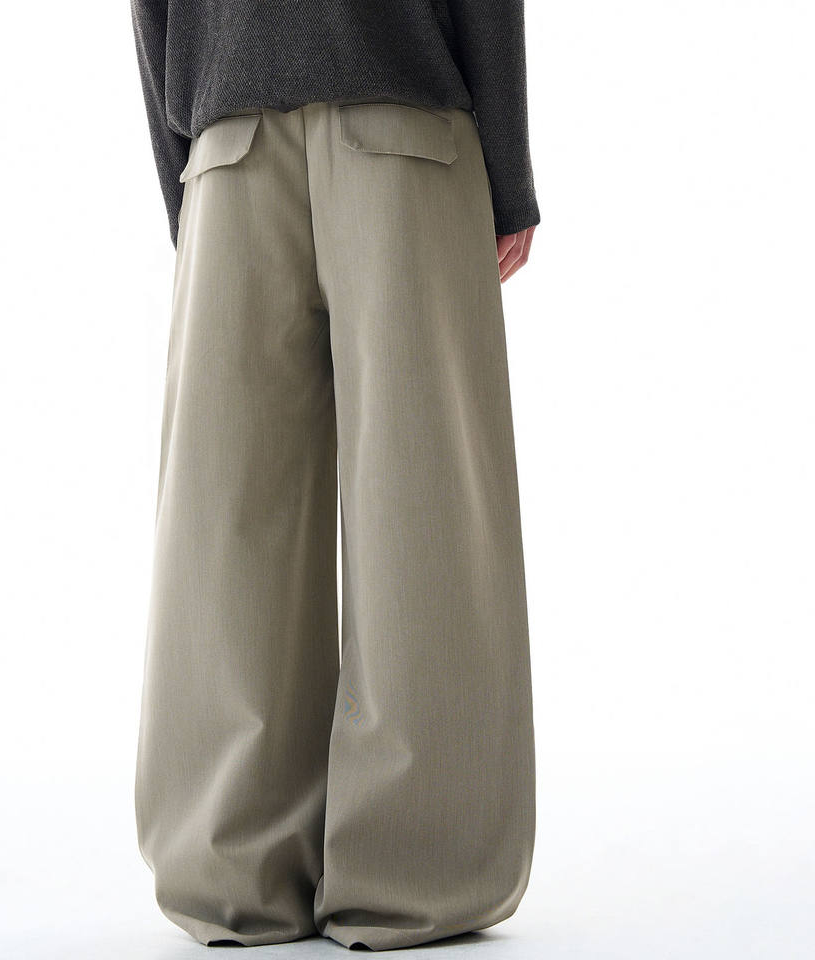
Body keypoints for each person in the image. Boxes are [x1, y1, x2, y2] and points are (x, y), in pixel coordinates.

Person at [130, 1, 539, 950]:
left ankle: (231, 867)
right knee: (426, 505)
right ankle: (417, 872)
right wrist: (508, 178)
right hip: (403, 123)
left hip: (229, 141)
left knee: (227, 522)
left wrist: (185, 173)